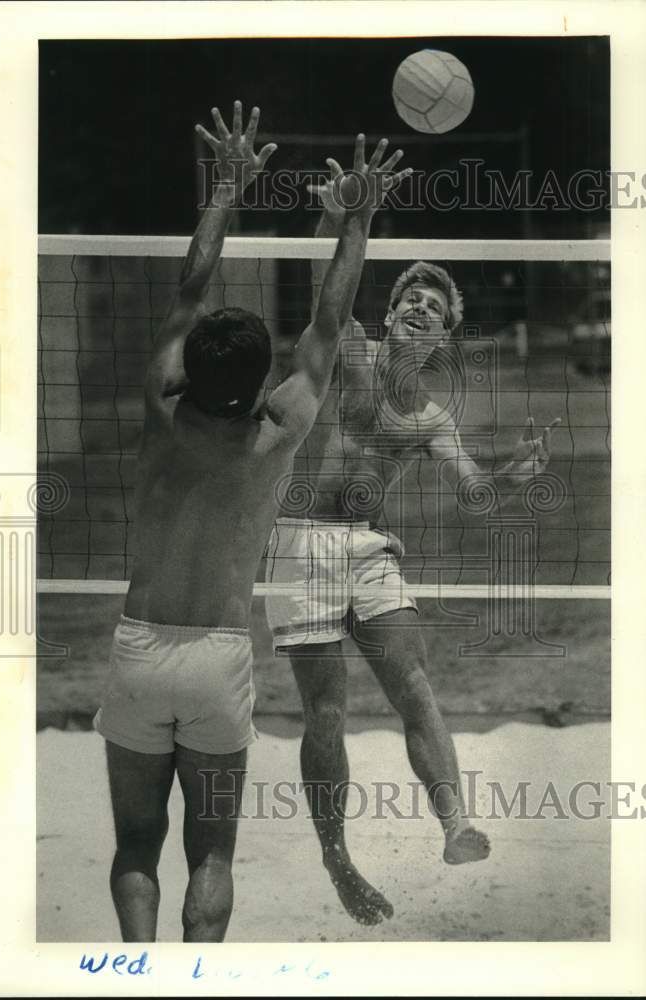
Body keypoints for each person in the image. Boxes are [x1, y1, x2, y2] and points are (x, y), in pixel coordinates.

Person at [94, 102, 408, 943]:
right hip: (220, 663)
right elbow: (331, 324)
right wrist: (358, 217)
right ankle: (200, 978)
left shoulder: (162, 413)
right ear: (259, 378)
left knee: (134, 845)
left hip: (140, 646)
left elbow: (191, 284)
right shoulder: (278, 433)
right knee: (212, 857)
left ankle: (139, 974)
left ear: (188, 368)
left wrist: (228, 186)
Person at [264, 160, 561, 926]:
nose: (422, 309)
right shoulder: (350, 347)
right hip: (300, 544)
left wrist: (512, 475)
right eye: (413, 299)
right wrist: (339, 218)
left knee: (417, 688)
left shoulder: (431, 418)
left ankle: (456, 821)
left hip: (367, 548)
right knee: (326, 714)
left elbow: (472, 493)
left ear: (442, 338)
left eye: (436, 307)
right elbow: (323, 278)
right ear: (392, 316)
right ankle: (338, 858)